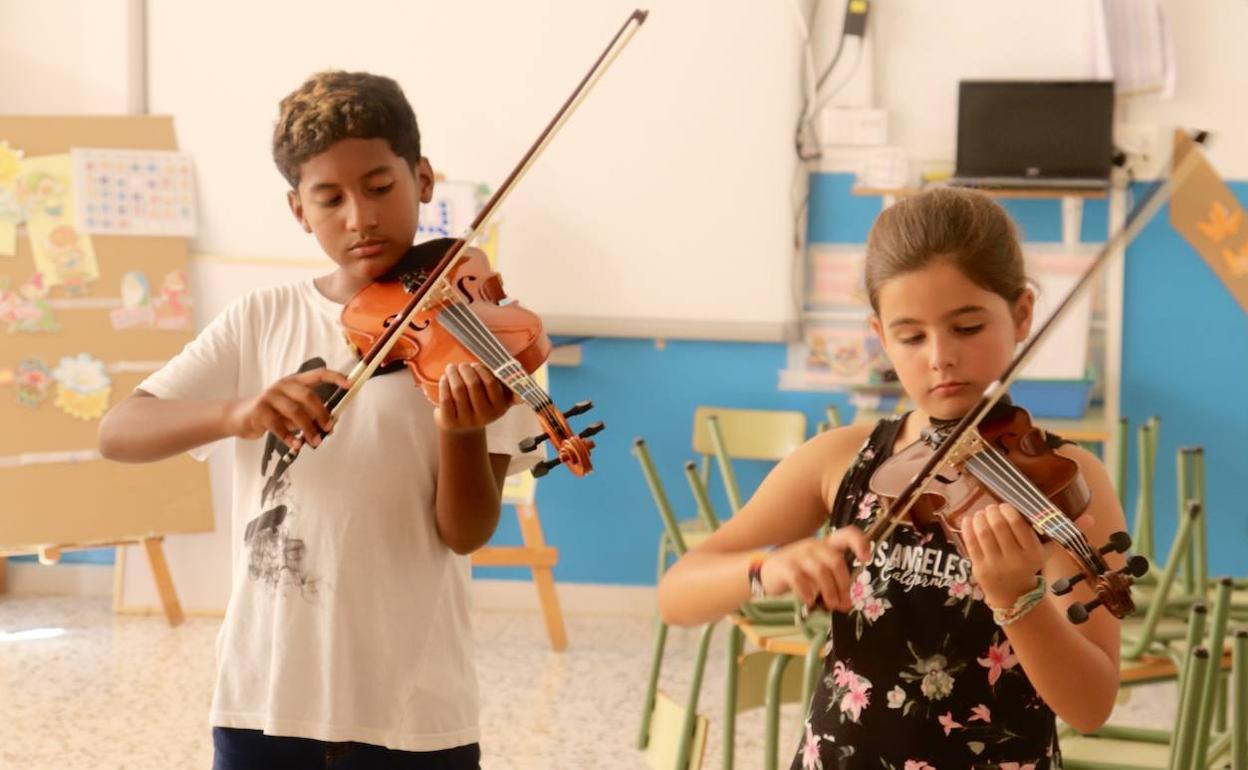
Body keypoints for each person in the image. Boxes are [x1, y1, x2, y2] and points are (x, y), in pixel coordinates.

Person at [98, 70, 540, 770]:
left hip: (414, 705)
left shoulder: (481, 333)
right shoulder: (261, 318)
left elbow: (466, 533)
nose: (359, 217)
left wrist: (460, 432)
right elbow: (117, 431)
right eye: (329, 198)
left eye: (379, 187)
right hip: (266, 691)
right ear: (299, 209)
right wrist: (237, 412)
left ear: (422, 178)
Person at [657, 187, 1126, 770]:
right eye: (911, 336)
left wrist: (1020, 600)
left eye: (968, 326)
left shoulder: (1060, 480)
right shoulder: (842, 460)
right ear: (882, 336)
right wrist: (767, 568)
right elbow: (678, 594)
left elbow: (1091, 705)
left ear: (1022, 314)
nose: (940, 357)